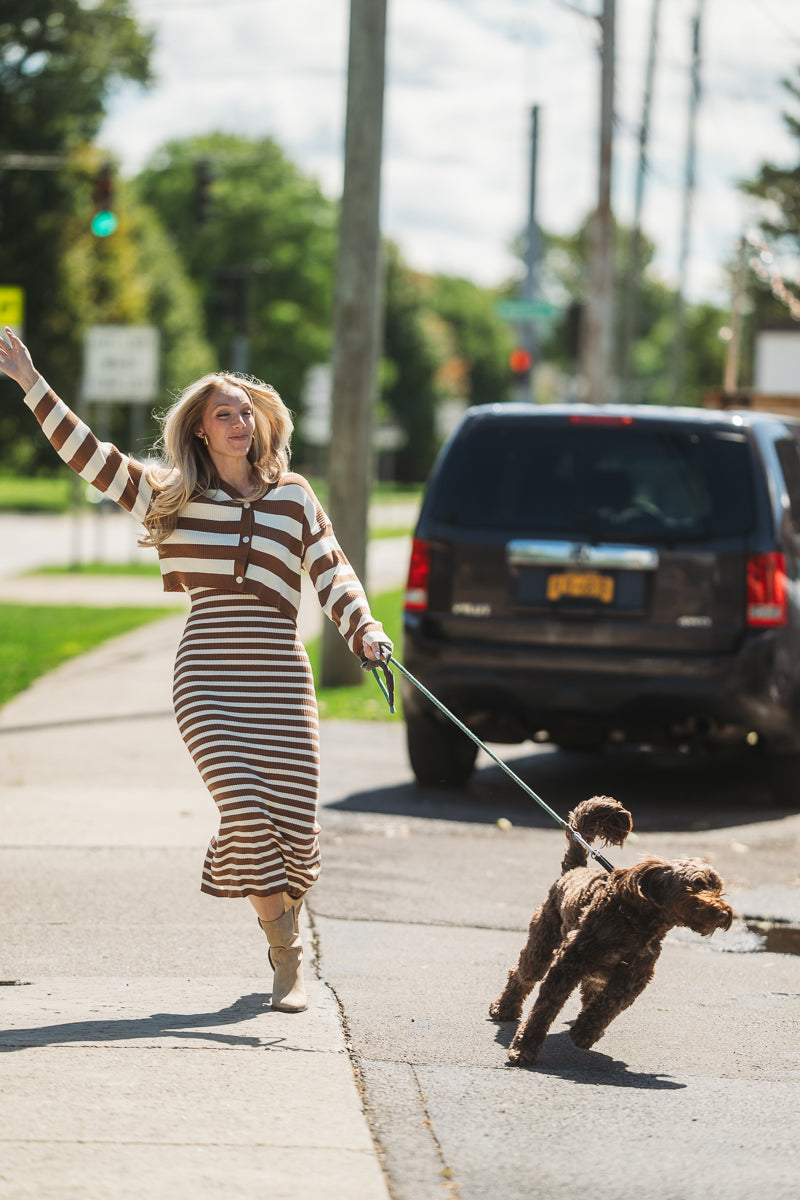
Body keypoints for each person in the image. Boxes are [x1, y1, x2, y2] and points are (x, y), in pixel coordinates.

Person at [0, 327, 391, 1013]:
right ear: (202, 432)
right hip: (207, 679)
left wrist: (365, 628)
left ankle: (280, 912)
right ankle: (288, 962)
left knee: (295, 830)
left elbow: (333, 569)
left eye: (246, 411)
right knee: (244, 805)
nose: (240, 422)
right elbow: (88, 456)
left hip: (280, 678)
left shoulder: (294, 496)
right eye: (224, 414)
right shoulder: (168, 496)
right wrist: (33, 383)